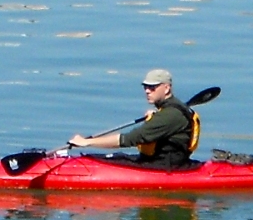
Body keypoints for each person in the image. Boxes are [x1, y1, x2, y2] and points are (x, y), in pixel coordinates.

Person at [66, 71, 200, 171]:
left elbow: (130, 139)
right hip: (159, 162)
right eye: (145, 87)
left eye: (152, 87)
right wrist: (157, 117)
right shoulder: (169, 111)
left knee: (114, 157)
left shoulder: (170, 115)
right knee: (116, 157)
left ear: (166, 88)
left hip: (164, 167)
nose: (147, 91)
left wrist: (87, 142)